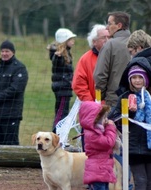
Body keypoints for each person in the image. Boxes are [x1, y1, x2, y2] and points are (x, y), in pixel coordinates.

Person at [111, 57, 151, 190]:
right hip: (134, 147)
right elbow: (113, 118)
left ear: (146, 79)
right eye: (134, 77)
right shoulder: (125, 97)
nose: (137, 80)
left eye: (141, 77)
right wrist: (128, 112)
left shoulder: (150, 97)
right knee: (141, 181)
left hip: (149, 145)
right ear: (129, 80)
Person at [0, 40, 28, 145]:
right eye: (2, 51)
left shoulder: (20, 69)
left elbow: (15, 89)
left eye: (7, 51)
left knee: (11, 145)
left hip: (11, 114)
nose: (4, 53)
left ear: (13, 52)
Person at [93, 11, 131, 108]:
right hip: (136, 100)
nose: (107, 27)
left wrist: (102, 95)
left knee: (113, 123)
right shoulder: (138, 43)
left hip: (114, 99)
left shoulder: (110, 45)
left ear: (119, 25)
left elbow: (100, 75)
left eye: (109, 24)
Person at [79, 101, 117, 190]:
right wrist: (110, 128)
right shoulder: (92, 135)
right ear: (95, 119)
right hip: (97, 173)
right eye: (103, 118)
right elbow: (108, 142)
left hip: (102, 171)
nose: (106, 120)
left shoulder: (97, 132)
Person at [47, 28, 76, 132]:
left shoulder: (66, 53)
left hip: (64, 86)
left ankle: (59, 135)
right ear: (65, 40)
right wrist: (58, 56)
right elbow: (56, 62)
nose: (73, 41)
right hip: (63, 87)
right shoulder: (59, 55)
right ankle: (56, 135)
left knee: (62, 112)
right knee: (61, 113)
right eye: (71, 39)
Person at [72, 24, 109, 102]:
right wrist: (91, 104)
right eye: (103, 37)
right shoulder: (85, 59)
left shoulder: (115, 57)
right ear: (94, 42)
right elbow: (78, 84)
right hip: (93, 106)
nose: (107, 40)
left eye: (109, 37)